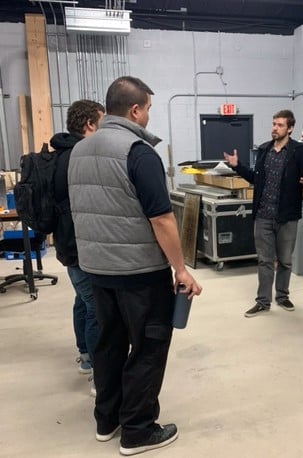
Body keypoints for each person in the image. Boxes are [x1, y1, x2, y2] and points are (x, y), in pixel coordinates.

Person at [68, 76, 202, 455]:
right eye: (147, 109)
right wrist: (180, 269)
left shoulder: (80, 150)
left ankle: (107, 420)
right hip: (139, 273)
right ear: (135, 109)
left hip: (98, 269)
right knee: (148, 346)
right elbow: (162, 220)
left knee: (109, 344)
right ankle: (139, 430)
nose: (147, 116)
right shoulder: (138, 153)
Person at [223, 109, 303, 318]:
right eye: (274, 124)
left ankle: (282, 296)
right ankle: (263, 301)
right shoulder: (264, 150)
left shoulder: (299, 151)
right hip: (263, 214)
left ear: (290, 128)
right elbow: (256, 179)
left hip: (287, 216)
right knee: (264, 260)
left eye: (280, 125)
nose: (275, 128)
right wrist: (238, 166)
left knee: (285, 260)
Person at [50, 99, 105, 395]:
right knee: (97, 309)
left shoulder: (60, 154)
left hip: (66, 244)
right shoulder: (81, 156)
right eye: (103, 123)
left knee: (82, 301)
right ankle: (100, 375)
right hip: (81, 245)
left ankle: (85, 356)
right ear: (90, 125)